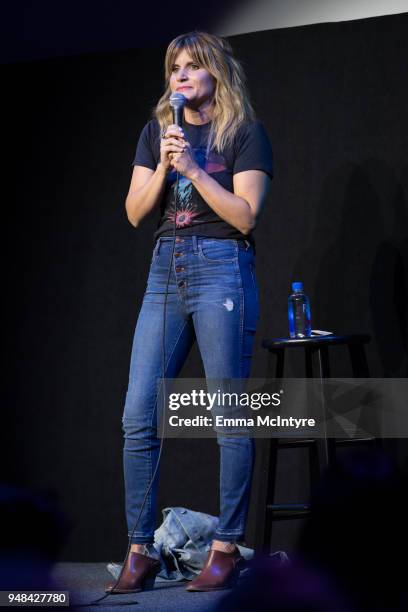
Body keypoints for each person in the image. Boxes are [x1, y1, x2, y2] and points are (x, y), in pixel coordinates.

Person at [106, 30, 273, 594]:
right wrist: (165, 166)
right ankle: (139, 549)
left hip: (222, 266)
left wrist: (197, 171)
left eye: (192, 66)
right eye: (174, 67)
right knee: (137, 415)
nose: (180, 75)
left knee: (228, 417)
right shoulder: (158, 133)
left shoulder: (244, 134)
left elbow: (246, 216)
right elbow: (134, 213)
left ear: (216, 74)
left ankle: (224, 547)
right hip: (165, 269)